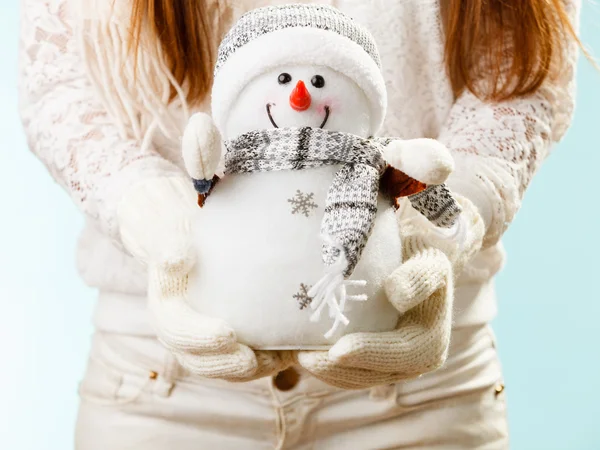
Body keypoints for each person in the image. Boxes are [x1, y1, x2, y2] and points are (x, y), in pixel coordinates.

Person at [18, 0, 580, 448]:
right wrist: (148, 214)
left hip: (420, 391)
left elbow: (522, 81)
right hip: (162, 385)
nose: (300, 95)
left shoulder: (378, 156)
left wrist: (440, 231)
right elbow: (61, 85)